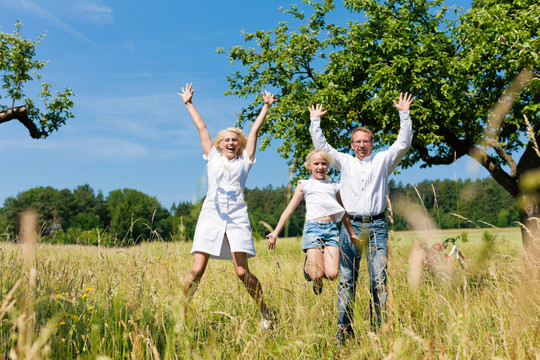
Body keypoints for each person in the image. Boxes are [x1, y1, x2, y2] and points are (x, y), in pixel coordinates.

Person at [309, 94, 414, 339]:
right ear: (352, 144)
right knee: (347, 280)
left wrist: (404, 114)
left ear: (372, 143)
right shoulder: (344, 162)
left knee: (379, 280)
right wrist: (315, 121)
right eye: (357, 141)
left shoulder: (383, 161)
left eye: (366, 141)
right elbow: (323, 148)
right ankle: (344, 333)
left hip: (376, 224)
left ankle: (379, 331)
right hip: (350, 227)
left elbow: (403, 144)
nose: (362, 145)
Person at [177, 83, 275, 328]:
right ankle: (180, 312)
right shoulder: (212, 156)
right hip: (211, 212)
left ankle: (265, 313)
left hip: (237, 214)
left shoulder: (245, 161)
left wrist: (265, 107)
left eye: (235, 140)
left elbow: (254, 132)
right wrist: (188, 103)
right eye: (227, 140)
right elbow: (202, 127)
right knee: (198, 269)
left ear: (239, 144)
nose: (231, 142)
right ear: (220, 144)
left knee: (242, 272)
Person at [266, 149, 360, 295]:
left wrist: (352, 234)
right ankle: (314, 276)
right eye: (316, 164)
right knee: (316, 274)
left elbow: (343, 212)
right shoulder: (304, 184)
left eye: (324, 164)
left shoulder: (334, 187)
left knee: (332, 274)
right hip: (313, 229)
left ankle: (316, 265)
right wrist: (275, 232)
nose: (320, 167)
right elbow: (289, 209)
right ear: (309, 166)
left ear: (328, 166)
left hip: (331, 230)